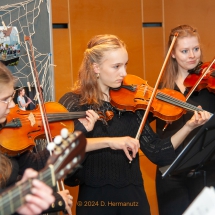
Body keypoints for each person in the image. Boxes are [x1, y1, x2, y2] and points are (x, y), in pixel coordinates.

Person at [58, 34, 210, 215]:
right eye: (116, 66)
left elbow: (157, 151)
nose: (124, 73)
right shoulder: (74, 102)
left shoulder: (132, 102)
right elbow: (66, 147)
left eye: (125, 65)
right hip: (94, 197)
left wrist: (189, 126)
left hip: (133, 195)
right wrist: (111, 141)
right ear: (96, 67)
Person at [155, 25, 215, 215]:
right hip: (171, 176)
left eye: (196, 49)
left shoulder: (210, 82)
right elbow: (157, 139)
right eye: (185, 51)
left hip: (206, 173)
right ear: (172, 54)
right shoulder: (163, 89)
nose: (192, 55)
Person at [0, 62, 74, 215]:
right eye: (5, 99)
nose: (12, 104)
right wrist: (53, 200)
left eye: (12, 97)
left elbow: (33, 164)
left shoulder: (7, 134)